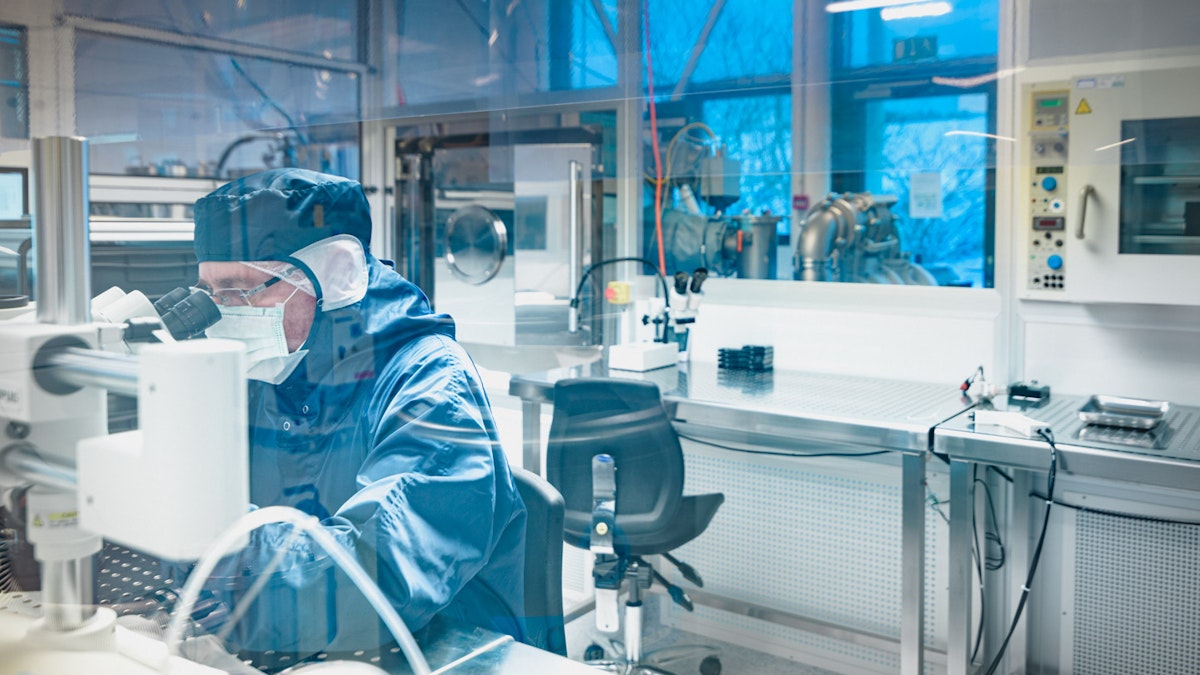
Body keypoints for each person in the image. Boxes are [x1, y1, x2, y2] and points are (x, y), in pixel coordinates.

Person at [180, 168, 526, 665]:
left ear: (333, 279)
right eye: (210, 292)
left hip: (442, 652)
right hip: (298, 647)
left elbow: (376, 576)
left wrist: (213, 541)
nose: (222, 312)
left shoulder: (431, 382)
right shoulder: (265, 373)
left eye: (240, 291)